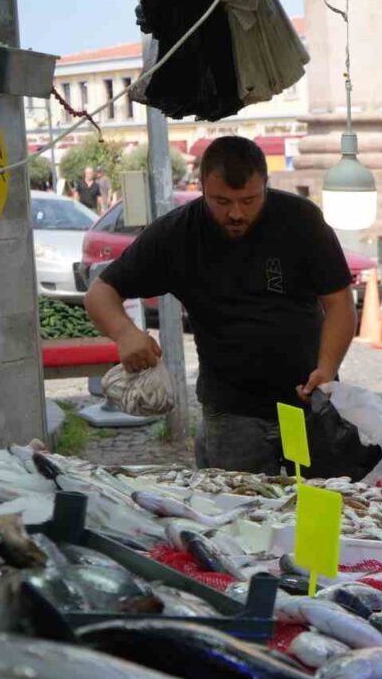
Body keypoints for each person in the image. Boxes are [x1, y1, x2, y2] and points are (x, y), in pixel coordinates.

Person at [84, 136, 357, 475]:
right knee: (242, 508)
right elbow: (100, 293)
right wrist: (125, 333)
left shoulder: (301, 220)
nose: (236, 213)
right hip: (231, 412)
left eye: (249, 200)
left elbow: (341, 304)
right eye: (222, 201)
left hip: (305, 404)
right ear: (202, 188)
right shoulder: (177, 233)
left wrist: (327, 367)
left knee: (315, 504)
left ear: (265, 185)